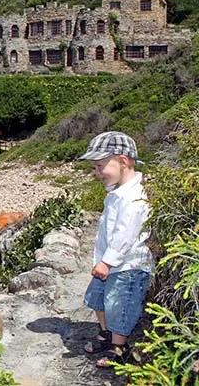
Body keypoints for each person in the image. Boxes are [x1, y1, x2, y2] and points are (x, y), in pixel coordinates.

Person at [78, 131, 154, 367]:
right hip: (109, 263)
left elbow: (125, 234)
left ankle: (119, 347)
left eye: (101, 166)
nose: (98, 173)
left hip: (128, 265)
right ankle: (106, 333)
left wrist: (107, 261)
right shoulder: (116, 193)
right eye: (95, 168)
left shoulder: (134, 197)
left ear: (123, 161)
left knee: (120, 305)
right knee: (97, 298)